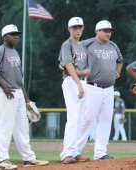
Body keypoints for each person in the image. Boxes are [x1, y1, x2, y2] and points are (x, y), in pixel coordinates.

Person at [0, 24, 49, 169]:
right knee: (5, 125)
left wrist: (26, 97)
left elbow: (19, 77)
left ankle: (28, 158)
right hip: (6, 92)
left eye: (17, 34)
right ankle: (2, 160)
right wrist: (4, 87)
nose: (16, 37)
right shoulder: (0, 51)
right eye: (12, 34)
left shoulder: (15, 52)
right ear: (4, 36)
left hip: (18, 93)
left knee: (22, 126)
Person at [78, 20, 123, 160]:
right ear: (97, 31)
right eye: (105, 30)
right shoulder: (86, 44)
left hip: (109, 88)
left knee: (105, 121)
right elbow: (74, 56)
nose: (108, 33)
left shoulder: (113, 45)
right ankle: (74, 151)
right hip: (92, 87)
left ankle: (100, 152)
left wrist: (118, 72)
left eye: (109, 31)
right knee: (87, 119)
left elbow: (120, 60)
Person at [58, 17, 91, 164]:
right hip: (71, 82)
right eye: (74, 27)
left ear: (83, 28)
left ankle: (75, 151)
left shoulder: (83, 46)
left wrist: (81, 73)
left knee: (81, 118)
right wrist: (78, 81)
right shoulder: (67, 45)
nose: (77, 30)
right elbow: (69, 66)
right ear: (69, 29)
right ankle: (66, 153)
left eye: (79, 27)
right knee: (72, 117)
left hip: (82, 82)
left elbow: (88, 70)